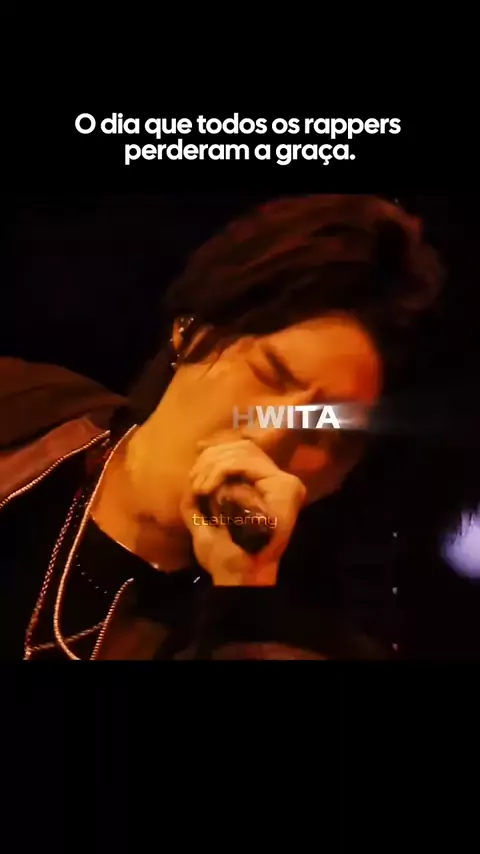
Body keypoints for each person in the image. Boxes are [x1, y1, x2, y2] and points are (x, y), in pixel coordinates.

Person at [0, 194, 443, 660]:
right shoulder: (20, 412)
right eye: (269, 375)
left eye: (321, 427)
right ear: (191, 330)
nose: (267, 436)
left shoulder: (305, 643)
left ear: (341, 474)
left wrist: (244, 590)